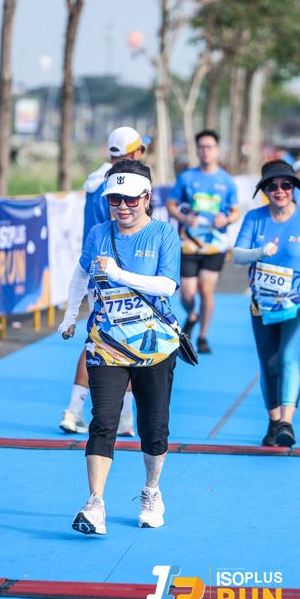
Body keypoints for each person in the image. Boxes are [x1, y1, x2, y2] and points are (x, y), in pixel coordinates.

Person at [59, 160, 182, 534]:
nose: (123, 207)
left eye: (130, 199)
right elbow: (81, 272)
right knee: (103, 422)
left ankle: (151, 491)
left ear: (146, 197)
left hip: (154, 345)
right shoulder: (99, 233)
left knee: (153, 428)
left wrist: (118, 274)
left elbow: (167, 286)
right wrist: (70, 315)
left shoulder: (163, 233)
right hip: (106, 344)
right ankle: (95, 503)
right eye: (115, 199)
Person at [233, 160, 300, 447]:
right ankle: (273, 421)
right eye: (272, 186)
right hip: (263, 306)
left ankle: (286, 424)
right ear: (264, 190)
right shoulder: (255, 218)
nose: (279, 191)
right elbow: (237, 255)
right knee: (269, 366)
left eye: (286, 185)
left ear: (294, 188)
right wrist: (258, 252)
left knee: (288, 357)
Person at [59, 126, 150, 437]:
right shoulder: (117, 185)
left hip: (100, 269)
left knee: (111, 338)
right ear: (133, 152)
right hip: (118, 269)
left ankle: (116, 417)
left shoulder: (97, 180)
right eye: (141, 150)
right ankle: (79, 411)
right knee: (109, 339)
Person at [166, 129, 239, 354]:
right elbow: (171, 205)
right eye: (202, 147)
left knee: (206, 291)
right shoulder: (186, 178)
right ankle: (192, 315)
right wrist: (183, 218)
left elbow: (236, 211)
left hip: (215, 246)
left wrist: (226, 219)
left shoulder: (226, 181)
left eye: (210, 147)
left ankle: (203, 336)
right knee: (187, 294)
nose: (205, 151)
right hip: (188, 244)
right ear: (197, 150)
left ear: (217, 150)